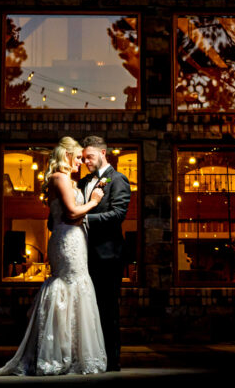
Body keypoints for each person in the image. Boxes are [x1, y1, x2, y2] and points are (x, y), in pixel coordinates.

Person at [0, 137, 107, 376]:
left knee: (78, 287)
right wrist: (93, 202)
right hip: (67, 241)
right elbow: (72, 212)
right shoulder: (59, 178)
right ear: (67, 156)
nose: (81, 163)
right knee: (67, 285)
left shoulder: (66, 180)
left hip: (74, 239)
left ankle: (72, 353)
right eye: (78, 158)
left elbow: (54, 220)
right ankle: (54, 354)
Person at [78, 135, 131, 372]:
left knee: (107, 309)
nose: (85, 161)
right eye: (83, 157)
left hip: (108, 257)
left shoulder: (118, 180)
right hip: (84, 256)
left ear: (102, 153)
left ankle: (112, 361)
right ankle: (91, 358)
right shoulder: (84, 182)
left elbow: (118, 214)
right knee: (87, 310)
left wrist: (85, 219)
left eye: (89, 156)